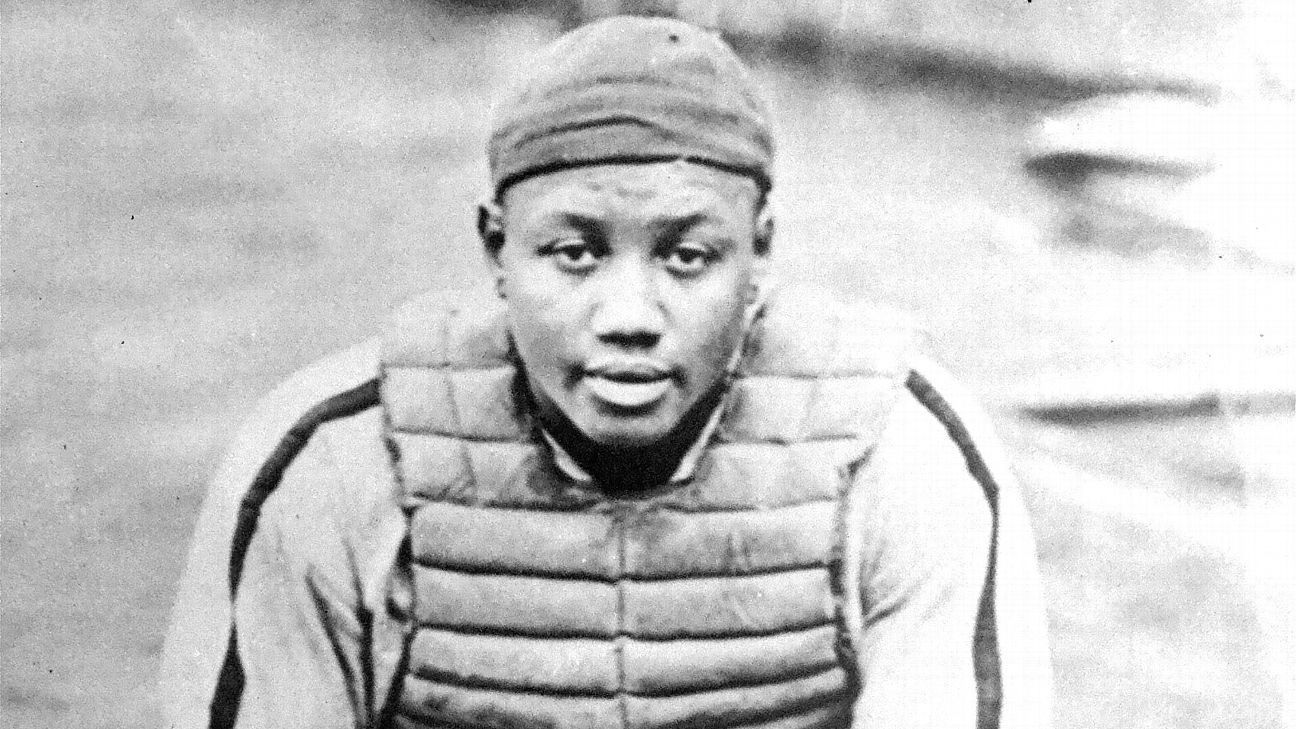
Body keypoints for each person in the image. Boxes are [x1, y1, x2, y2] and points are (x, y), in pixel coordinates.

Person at [160, 15, 1052, 729]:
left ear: (759, 253)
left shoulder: (902, 455)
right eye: (575, 253)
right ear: (497, 248)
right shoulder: (331, 465)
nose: (630, 315)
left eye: (688, 256)